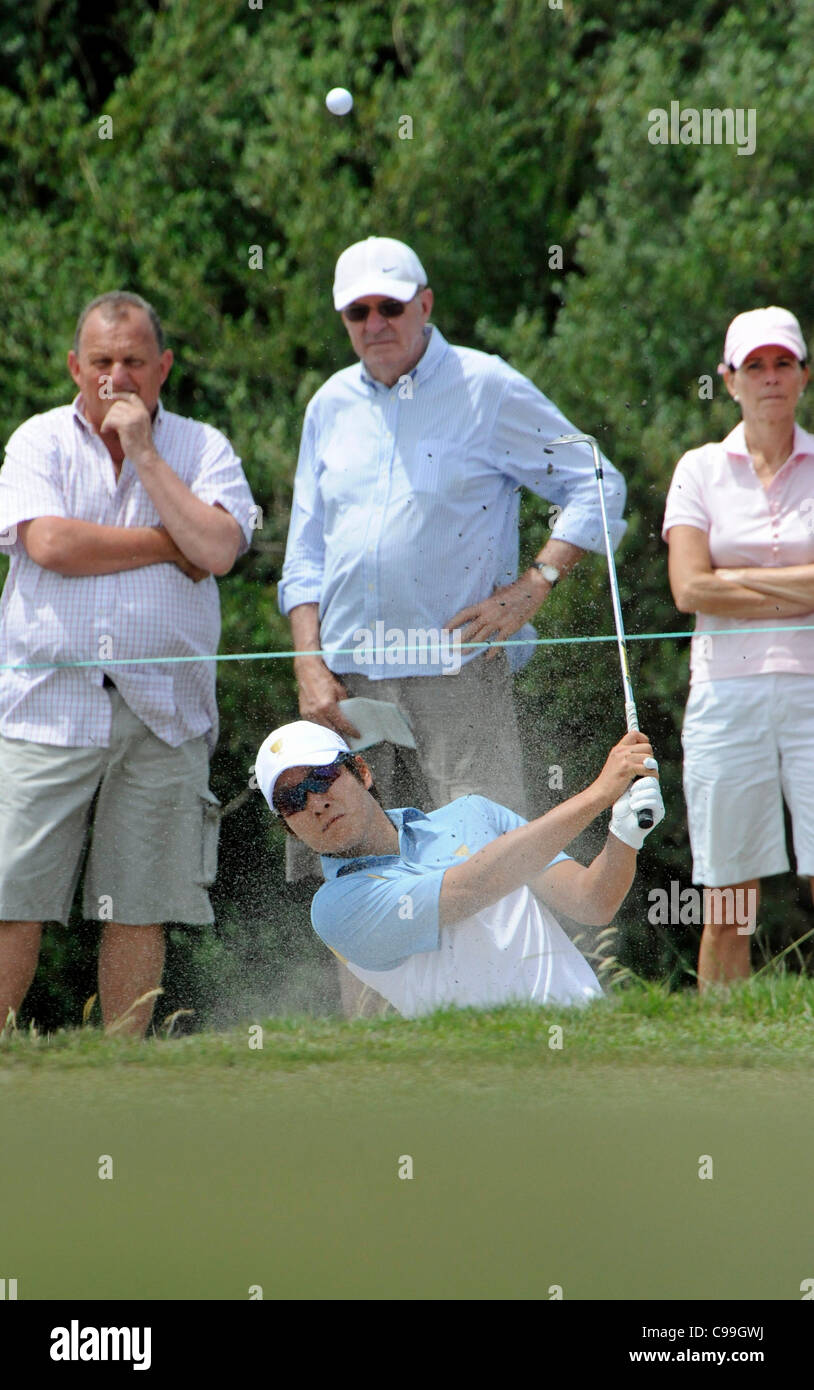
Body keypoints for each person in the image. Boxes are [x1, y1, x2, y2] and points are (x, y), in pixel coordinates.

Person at [278, 236, 627, 1007]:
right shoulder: (327, 405)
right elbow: (303, 554)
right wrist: (308, 661)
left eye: (390, 307)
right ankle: (377, 1050)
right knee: (353, 860)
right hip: (348, 681)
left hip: (459, 673)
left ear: (424, 306)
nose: (375, 323)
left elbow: (598, 483)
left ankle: (519, 1022)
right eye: (358, 311)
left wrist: (535, 584)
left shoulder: (486, 386)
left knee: (496, 856)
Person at [0, 291, 256, 1036]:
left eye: (134, 362)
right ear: (76, 367)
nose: (117, 378)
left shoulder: (203, 448)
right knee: (14, 899)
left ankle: (124, 1073)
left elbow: (216, 550)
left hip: (164, 713)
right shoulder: (39, 441)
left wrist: (145, 453)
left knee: (141, 906)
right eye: (102, 362)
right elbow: (51, 547)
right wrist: (166, 542)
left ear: (163, 366)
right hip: (47, 706)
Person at [254, 720, 664, 1017]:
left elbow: (590, 901)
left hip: (588, 1030)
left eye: (322, 777)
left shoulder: (474, 813)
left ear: (361, 771)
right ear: (289, 826)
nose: (315, 802)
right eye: (292, 800)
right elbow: (469, 889)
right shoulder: (336, 907)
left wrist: (624, 833)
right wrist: (597, 794)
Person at [663, 306, 814, 990]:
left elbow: (712, 580)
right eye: (754, 365)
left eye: (783, 362)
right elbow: (690, 587)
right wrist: (797, 587)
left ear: (804, 375)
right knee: (728, 898)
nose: (770, 378)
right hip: (725, 696)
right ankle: (721, 1047)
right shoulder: (698, 470)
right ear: (728, 381)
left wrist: (737, 578)